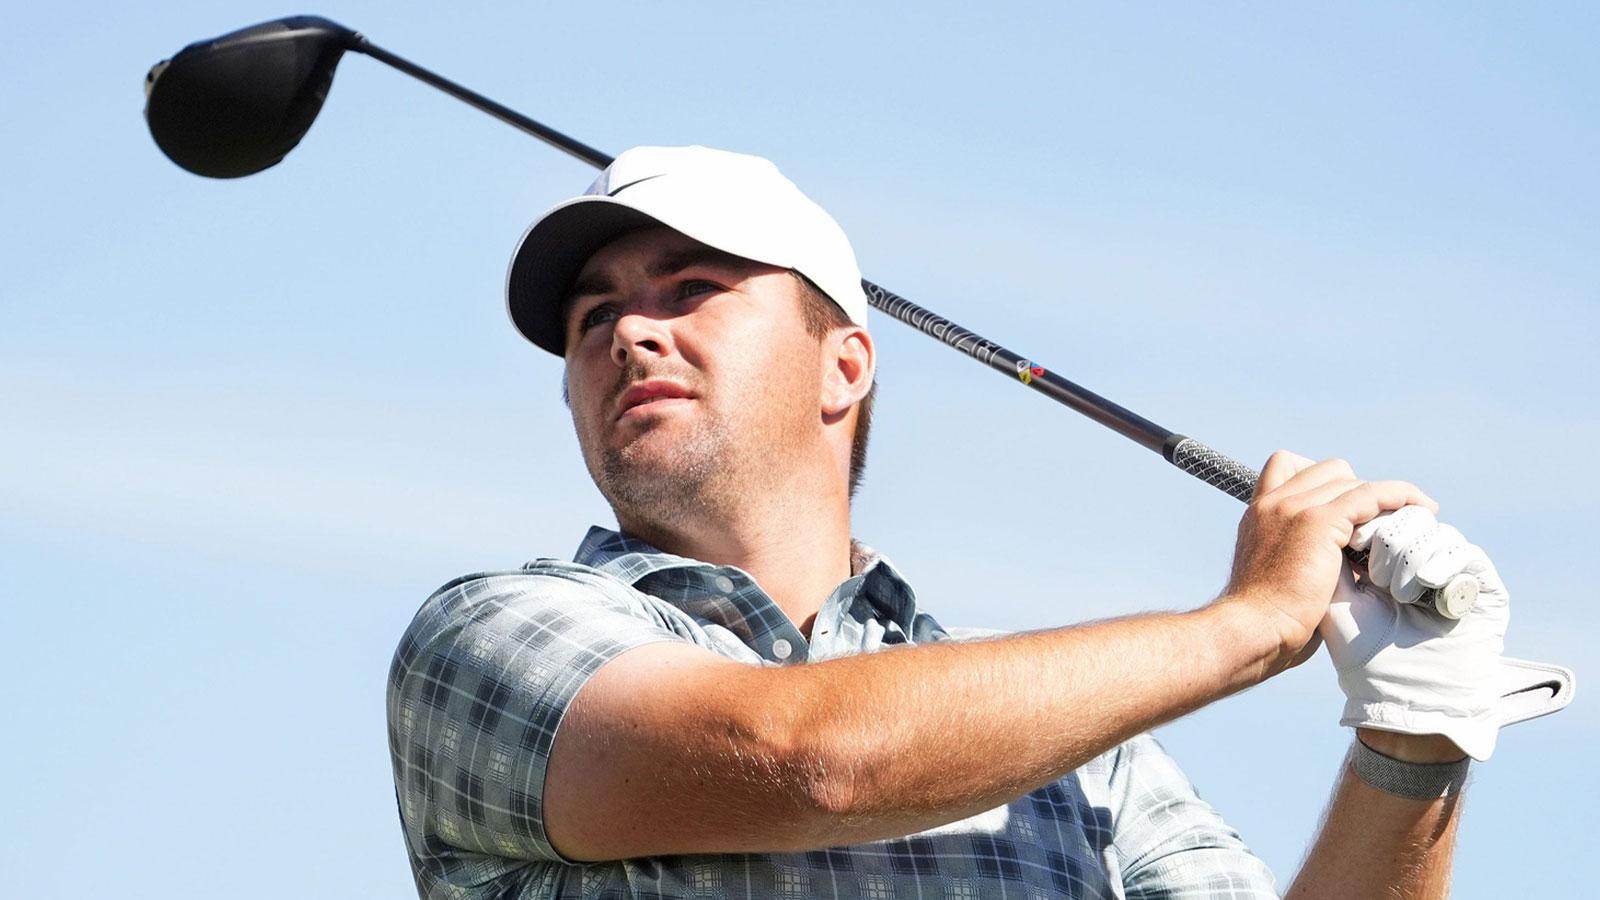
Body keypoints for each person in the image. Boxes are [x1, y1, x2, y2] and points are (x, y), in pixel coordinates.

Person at [386, 145, 1569, 898]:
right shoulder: (491, 637)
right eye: (594, 319)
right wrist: (1250, 626)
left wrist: (1414, 743)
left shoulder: (1082, 755)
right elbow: (812, 761)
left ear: (842, 366)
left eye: (690, 292)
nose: (627, 334)